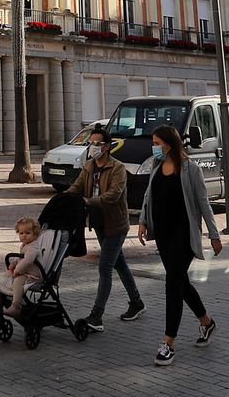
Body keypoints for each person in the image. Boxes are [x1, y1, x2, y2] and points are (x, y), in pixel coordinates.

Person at [136, 125, 222, 366]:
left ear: (169, 144)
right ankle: (206, 322)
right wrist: (143, 221)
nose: (153, 147)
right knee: (180, 282)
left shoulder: (190, 170)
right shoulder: (156, 166)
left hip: (183, 235)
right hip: (162, 234)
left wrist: (214, 236)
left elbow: (204, 204)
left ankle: (168, 342)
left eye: (156, 142)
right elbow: (148, 196)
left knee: (172, 283)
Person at [67, 127, 145, 330]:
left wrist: (88, 201)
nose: (93, 147)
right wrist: (66, 197)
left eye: (97, 144)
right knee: (119, 263)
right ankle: (136, 302)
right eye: (91, 143)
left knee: (105, 267)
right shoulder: (89, 166)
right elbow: (77, 186)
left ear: (107, 146)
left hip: (116, 224)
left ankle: (97, 315)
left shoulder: (117, 168)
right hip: (99, 223)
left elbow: (114, 194)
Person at [0, 216, 43, 317]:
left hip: (32, 274)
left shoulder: (33, 247)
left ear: (35, 234)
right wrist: (14, 264)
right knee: (6, 274)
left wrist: (18, 270)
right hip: (24, 270)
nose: (24, 236)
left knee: (17, 282)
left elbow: (28, 261)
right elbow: (22, 258)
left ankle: (16, 306)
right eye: (21, 233)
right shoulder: (25, 245)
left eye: (28, 233)